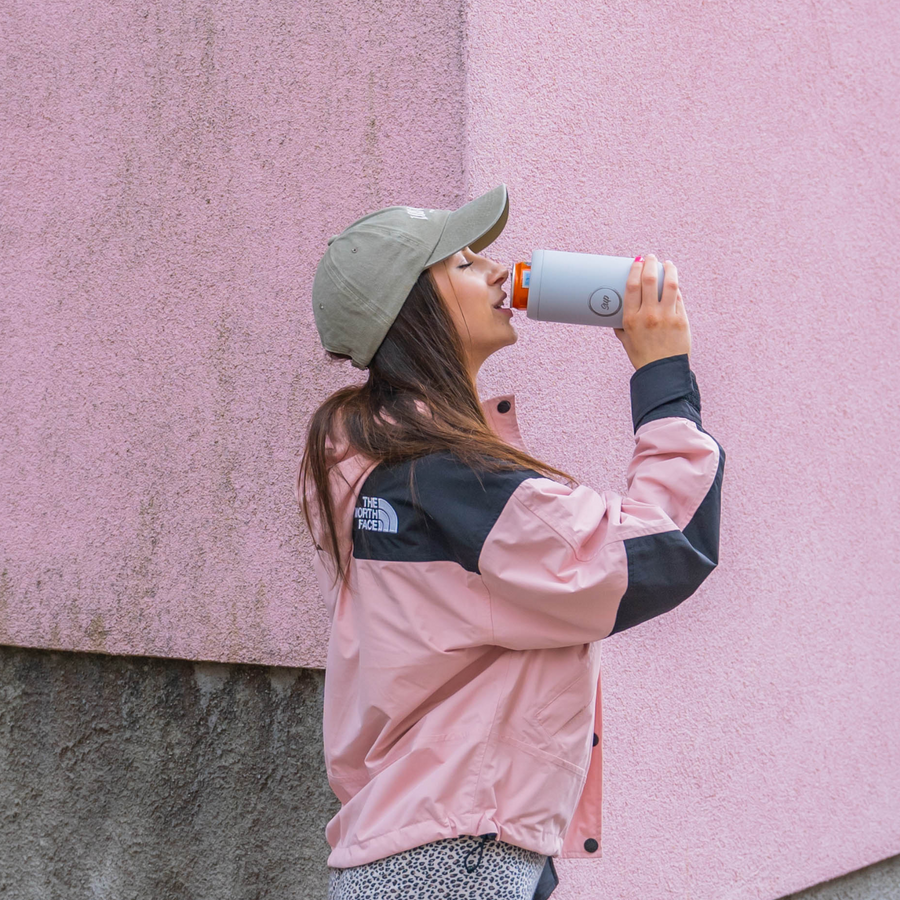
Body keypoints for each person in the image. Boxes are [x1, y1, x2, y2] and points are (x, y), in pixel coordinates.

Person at [296, 184, 726, 900]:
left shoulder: (370, 462)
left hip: (408, 850)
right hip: (451, 860)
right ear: (415, 313)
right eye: (465, 263)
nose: (499, 271)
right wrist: (664, 380)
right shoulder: (449, 479)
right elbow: (659, 549)